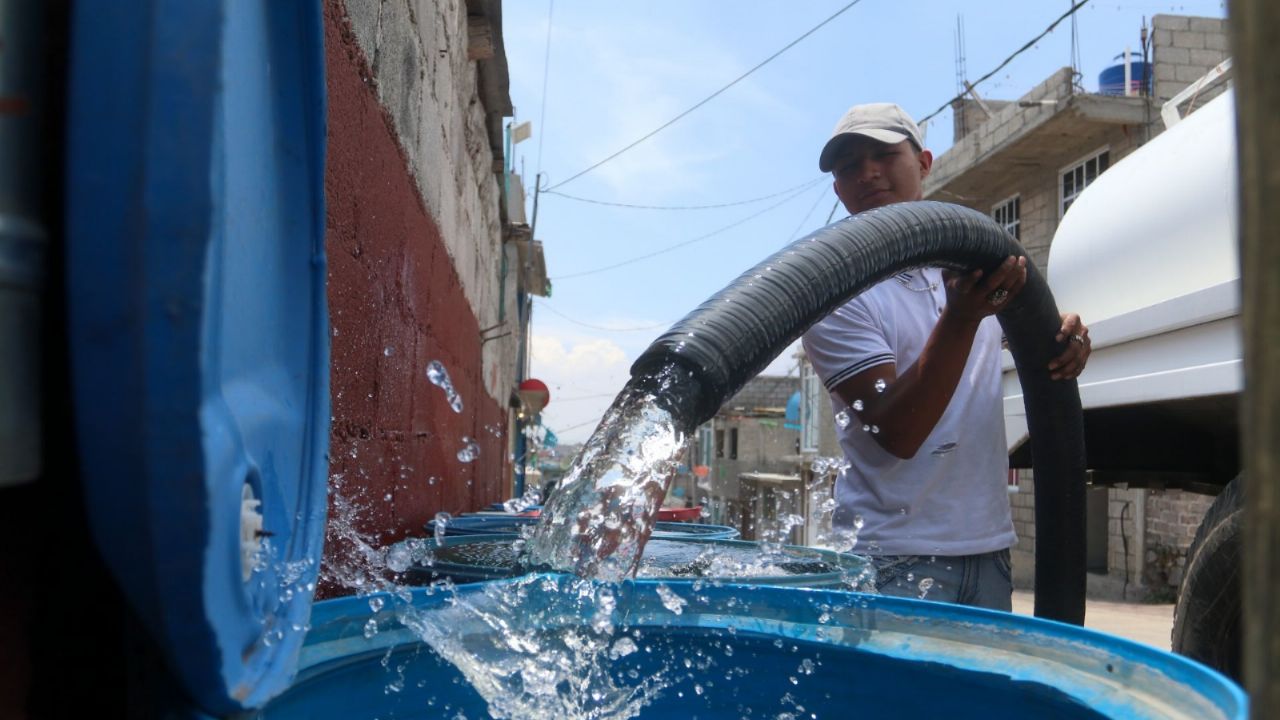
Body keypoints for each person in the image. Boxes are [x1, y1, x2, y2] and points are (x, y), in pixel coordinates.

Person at [801, 103, 1092, 611]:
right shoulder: (835, 294)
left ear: (925, 163)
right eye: (849, 165)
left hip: (990, 552)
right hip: (889, 560)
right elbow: (898, 431)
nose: (867, 171)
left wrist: (1064, 341)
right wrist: (959, 319)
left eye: (884, 154)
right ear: (837, 188)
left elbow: (1028, 342)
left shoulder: (971, 268)